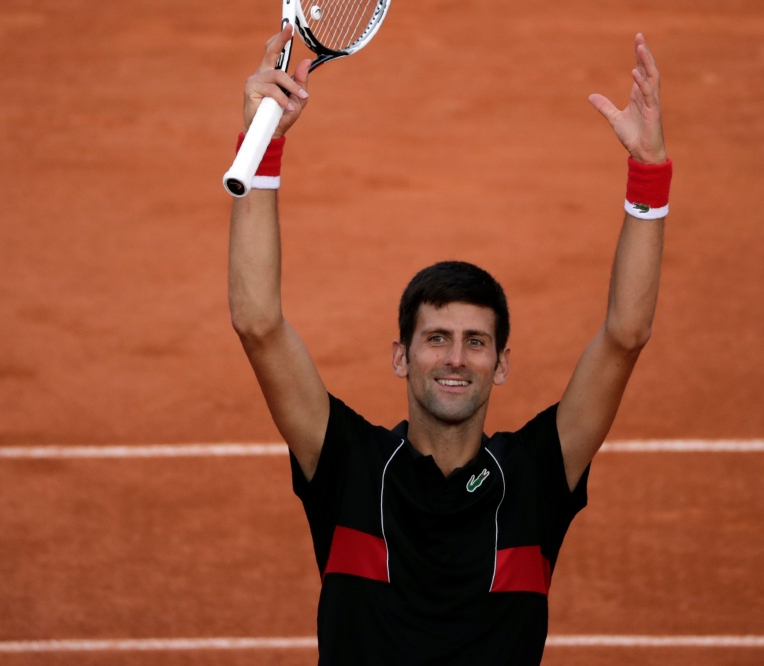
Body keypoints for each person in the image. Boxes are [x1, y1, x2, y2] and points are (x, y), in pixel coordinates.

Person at [228, 27, 671, 666]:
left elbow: (626, 337)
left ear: (502, 362)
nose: (456, 358)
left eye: (476, 342)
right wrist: (262, 141)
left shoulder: (536, 477)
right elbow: (257, 324)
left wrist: (649, 174)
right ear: (401, 356)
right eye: (436, 339)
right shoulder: (348, 466)